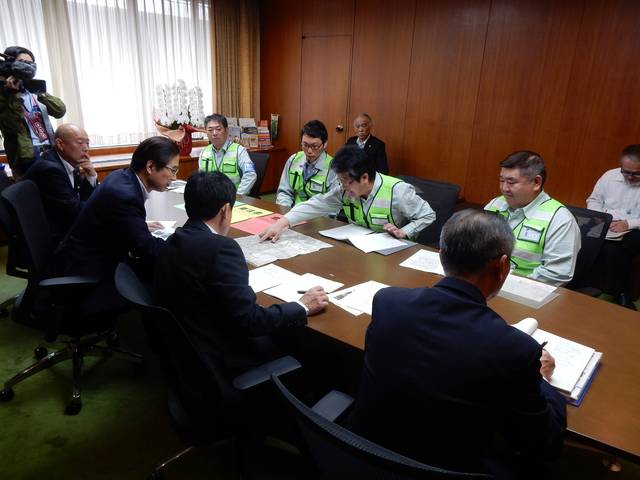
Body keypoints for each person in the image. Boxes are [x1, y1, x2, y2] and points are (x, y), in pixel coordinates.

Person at [349, 210, 567, 478]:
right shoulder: (515, 349)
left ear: (441, 255)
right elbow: (545, 444)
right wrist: (541, 379)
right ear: (502, 266)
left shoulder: (388, 301)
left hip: (363, 458)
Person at [154, 171, 328, 375]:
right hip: (222, 353)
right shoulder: (222, 249)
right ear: (225, 210)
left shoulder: (173, 240)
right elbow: (251, 321)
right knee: (304, 340)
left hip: (185, 345)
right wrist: (301, 306)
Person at [49, 136, 179, 310]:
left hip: (78, 253)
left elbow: (118, 221)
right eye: (173, 170)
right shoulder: (126, 196)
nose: (174, 177)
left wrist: (135, 225)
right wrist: (184, 248)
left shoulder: (122, 176)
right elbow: (145, 248)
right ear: (150, 167)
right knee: (167, 267)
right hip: (88, 267)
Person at [261, 145, 435, 242]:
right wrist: (282, 223)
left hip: (395, 252)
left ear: (365, 177)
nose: (342, 186)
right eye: (340, 180)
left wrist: (404, 231)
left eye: (346, 180)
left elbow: (427, 215)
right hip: (361, 248)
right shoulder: (344, 190)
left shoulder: (398, 191)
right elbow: (316, 204)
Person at [484, 151, 580, 286]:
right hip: (487, 284)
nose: (504, 188)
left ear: (536, 182)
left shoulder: (560, 219)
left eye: (511, 182)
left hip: (526, 291)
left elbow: (557, 273)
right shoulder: (495, 204)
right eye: (501, 180)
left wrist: (510, 285)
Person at [23, 123, 96, 245]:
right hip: (50, 236)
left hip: (62, 222)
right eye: (79, 143)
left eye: (87, 143)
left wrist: (91, 176)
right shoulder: (50, 170)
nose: (85, 148)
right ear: (60, 144)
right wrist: (103, 206)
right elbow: (73, 212)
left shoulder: (70, 161)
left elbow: (80, 199)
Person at [587, 144, 640, 310]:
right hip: (607, 223)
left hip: (635, 227)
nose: (630, 177)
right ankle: (586, 284)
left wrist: (628, 224)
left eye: (636, 174)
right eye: (626, 172)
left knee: (617, 247)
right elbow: (594, 200)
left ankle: (622, 293)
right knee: (583, 236)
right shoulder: (609, 176)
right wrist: (600, 218)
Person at [0, 46, 66, 178]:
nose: (28, 66)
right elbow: (12, 124)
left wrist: (41, 93)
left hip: (50, 150)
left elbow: (60, 111)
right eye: (22, 62)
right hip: (27, 157)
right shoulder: (3, 95)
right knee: (33, 196)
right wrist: (13, 94)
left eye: (31, 63)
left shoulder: (33, 88)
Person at [276, 120, 337, 207]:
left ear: (325, 144)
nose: (309, 151)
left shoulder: (333, 167)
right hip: (293, 213)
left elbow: (333, 203)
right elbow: (284, 192)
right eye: (305, 145)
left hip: (319, 216)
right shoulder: (293, 160)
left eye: (315, 146)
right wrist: (286, 211)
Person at [198, 114, 256, 195]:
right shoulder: (204, 152)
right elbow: (200, 178)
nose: (214, 133)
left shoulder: (239, 151)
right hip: (210, 199)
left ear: (226, 130)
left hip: (233, 198)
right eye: (210, 130)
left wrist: (237, 196)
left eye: (218, 129)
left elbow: (250, 175)